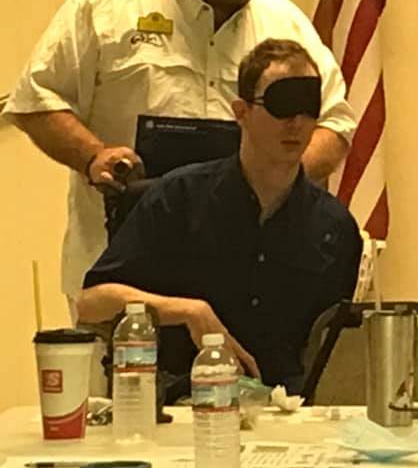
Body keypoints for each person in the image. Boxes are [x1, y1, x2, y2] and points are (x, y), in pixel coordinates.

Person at [2, 0, 356, 308]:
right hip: (123, 278)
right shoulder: (109, 4)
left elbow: (336, 124)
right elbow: (36, 99)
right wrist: (93, 155)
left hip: (250, 284)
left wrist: (279, 170)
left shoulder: (286, 24)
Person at [77, 39, 362, 396]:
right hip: (182, 406)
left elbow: (331, 351)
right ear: (240, 112)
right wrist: (189, 311)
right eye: (281, 105)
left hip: (291, 413)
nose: (296, 122)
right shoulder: (177, 198)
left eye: (308, 108)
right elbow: (92, 303)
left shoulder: (335, 228)